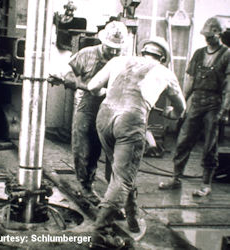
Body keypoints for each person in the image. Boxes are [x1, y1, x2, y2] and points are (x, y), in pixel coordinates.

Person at [87, 36, 186, 247]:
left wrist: (108, 93)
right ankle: (100, 234)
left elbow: (92, 86)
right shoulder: (165, 72)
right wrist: (170, 113)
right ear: (163, 58)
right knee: (123, 178)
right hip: (130, 120)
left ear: (143, 52)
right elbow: (181, 109)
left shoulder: (118, 61)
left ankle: (131, 219)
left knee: (121, 171)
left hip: (104, 117)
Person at [48, 21, 128, 205]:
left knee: (112, 151)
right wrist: (89, 87)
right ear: (103, 42)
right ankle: (85, 186)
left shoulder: (123, 59)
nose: (115, 53)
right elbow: (67, 76)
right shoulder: (86, 54)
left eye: (118, 49)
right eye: (111, 48)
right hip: (87, 106)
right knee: (83, 148)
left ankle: (113, 190)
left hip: (114, 108)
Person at [159, 16, 230, 197]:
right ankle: (175, 178)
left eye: (211, 36)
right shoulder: (199, 53)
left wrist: (224, 110)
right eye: (206, 36)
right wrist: (182, 102)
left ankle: (206, 184)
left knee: (209, 145)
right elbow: (190, 79)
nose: (208, 39)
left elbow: (229, 85)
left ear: (219, 34)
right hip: (196, 102)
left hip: (214, 105)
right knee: (183, 140)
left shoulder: (227, 54)